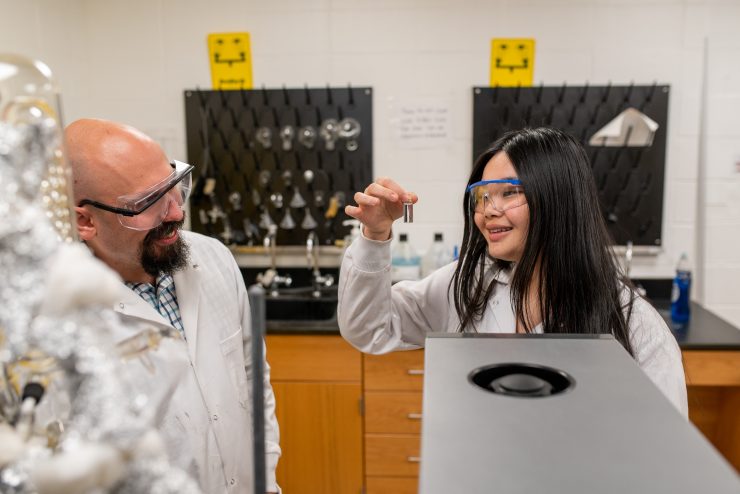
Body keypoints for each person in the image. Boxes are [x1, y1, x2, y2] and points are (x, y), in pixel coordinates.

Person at [338, 127, 688, 416]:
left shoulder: (634, 326)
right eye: (483, 196)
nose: (488, 211)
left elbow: (664, 455)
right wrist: (375, 234)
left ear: (558, 198)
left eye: (509, 193)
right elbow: (370, 329)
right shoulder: (467, 285)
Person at [65, 118, 281, 493]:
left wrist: (266, 478)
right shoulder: (59, 319)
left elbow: (254, 382)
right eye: (148, 203)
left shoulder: (213, 258)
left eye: (173, 185)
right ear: (85, 220)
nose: (176, 212)